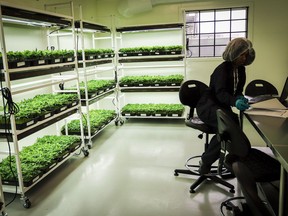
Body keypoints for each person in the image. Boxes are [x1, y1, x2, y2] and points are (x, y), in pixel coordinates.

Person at [196, 37, 256, 174]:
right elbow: (220, 94)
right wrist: (234, 102)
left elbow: (238, 89)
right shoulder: (222, 70)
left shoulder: (241, 70)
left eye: (246, 55)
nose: (244, 58)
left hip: (221, 106)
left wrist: (239, 96)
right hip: (208, 106)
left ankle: (233, 158)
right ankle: (206, 161)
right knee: (227, 129)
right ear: (234, 53)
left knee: (232, 124)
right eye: (242, 54)